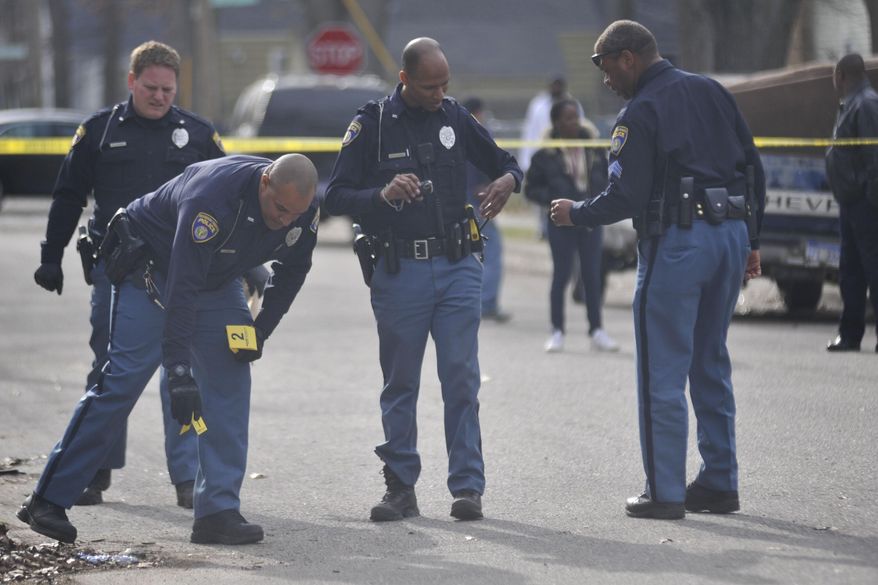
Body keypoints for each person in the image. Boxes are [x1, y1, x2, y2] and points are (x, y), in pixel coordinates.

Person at [18, 153, 319, 545]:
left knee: (230, 381)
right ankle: (47, 500)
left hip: (217, 278)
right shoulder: (212, 199)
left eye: (294, 214)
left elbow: (294, 270)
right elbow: (183, 286)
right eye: (280, 209)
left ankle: (217, 512)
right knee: (120, 383)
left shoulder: (301, 210)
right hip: (154, 270)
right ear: (265, 183)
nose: (285, 221)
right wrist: (178, 371)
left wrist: (261, 331)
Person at [551, 20, 764, 519]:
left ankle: (664, 492)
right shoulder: (712, 91)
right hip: (730, 235)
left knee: (661, 372)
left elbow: (625, 194)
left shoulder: (640, 110)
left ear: (628, 58)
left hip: (679, 244)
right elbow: (753, 166)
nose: (604, 78)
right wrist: (752, 240)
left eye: (605, 66)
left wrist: (574, 213)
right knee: (710, 360)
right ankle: (719, 482)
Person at [325, 37, 522, 522]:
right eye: (430, 86)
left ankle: (468, 488)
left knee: (460, 379)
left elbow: (508, 162)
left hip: (458, 267)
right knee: (401, 384)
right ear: (405, 79)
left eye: (445, 85)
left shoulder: (455, 117)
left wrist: (507, 182)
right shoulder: (370, 126)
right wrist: (383, 193)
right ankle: (400, 489)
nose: (439, 93)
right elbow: (335, 196)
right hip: (399, 270)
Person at [32, 40, 225, 508]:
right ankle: (93, 472)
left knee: (181, 370)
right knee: (110, 368)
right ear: (132, 82)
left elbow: (226, 198)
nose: (160, 96)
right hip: (116, 269)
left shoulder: (197, 134)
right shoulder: (99, 131)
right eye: (152, 87)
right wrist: (50, 255)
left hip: (181, 270)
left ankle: (186, 476)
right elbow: (68, 195)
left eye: (168, 89)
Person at [525, 98, 619, 353]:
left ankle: (597, 330)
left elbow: (607, 177)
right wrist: (553, 201)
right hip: (560, 222)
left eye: (575, 116)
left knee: (591, 275)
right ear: (556, 122)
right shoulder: (545, 154)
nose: (574, 122)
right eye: (567, 118)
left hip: (589, 219)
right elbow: (530, 189)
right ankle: (557, 331)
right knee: (561, 275)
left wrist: (596, 201)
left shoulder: (593, 147)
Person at [824, 53, 878, 353]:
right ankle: (850, 334)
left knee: (874, 269)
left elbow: (875, 157)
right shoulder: (851, 104)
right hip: (851, 203)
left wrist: (870, 198)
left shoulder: (866, 104)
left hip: (866, 204)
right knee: (851, 272)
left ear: (841, 74)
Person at [463, 97, 511, 322]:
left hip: (460, 200)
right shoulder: (477, 132)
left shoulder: (452, 130)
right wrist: (479, 186)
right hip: (477, 198)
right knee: (491, 250)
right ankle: (488, 303)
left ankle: (467, 303)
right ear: (478, 112)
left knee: (466, 253)